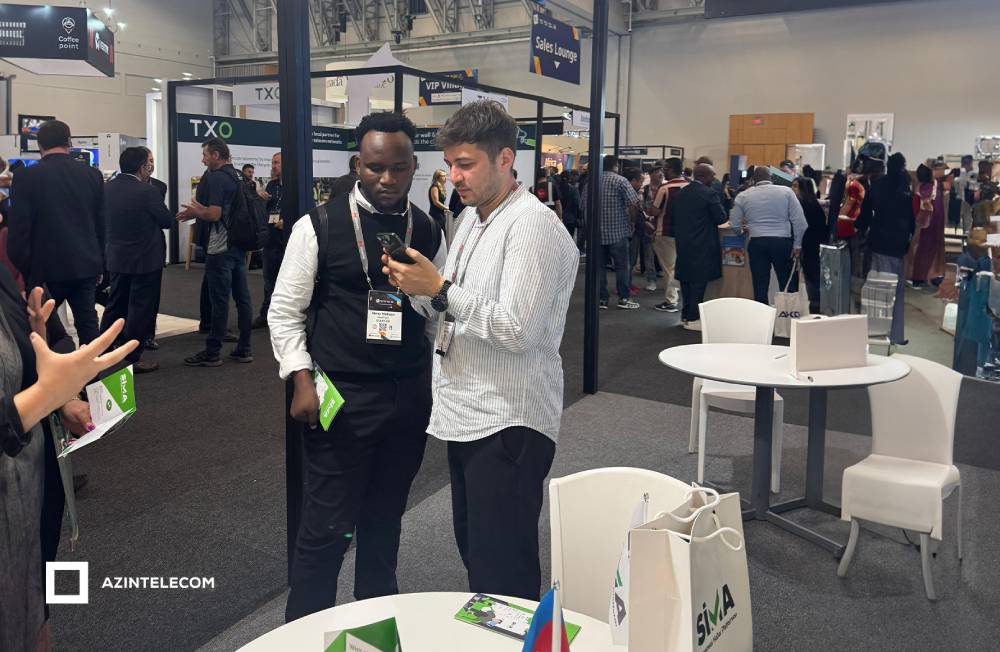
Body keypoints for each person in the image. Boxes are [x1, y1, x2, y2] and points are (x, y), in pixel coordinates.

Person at [384, 100, 578, 602]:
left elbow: (518, 330)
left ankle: (517, 634)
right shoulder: (472, 219)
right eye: (450, 164)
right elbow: (454, 306)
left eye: (465, 164)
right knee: (478, 552)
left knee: (502, 568)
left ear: (505, 159)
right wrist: (420, 290)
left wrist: (440, 288)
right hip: (467, 411)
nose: (454, 176)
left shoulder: (531, 225)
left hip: (509, 419)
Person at [269, 112, 445, 622]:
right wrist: (300, 378)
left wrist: (433, 383)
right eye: (374, 168)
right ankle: (306, 631)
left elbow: (436, 317)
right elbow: (285, 311)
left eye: (398, 168)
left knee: (385, 521)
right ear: (357, 166)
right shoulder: (319, 225)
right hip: (340, 397)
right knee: (326, 528)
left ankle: (374, 629)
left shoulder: (428, 229)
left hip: (407, 397)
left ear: (414, 166)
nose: (387, 179)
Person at [1, 280, 136, 652]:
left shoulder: (15, 270)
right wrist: (46, 395)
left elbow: (53, 340)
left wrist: (65, 397)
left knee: (36, 584)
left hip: (33, 468)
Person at [7, 120, 105, 345]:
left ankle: (50, 367)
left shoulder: (26, 177)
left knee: (41, 330)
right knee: (88, 326)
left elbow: (18, 231)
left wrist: (26, 270)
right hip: (85, 263)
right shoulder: (92, 175)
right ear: (69, 142)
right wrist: (99, 261)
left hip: (43, 268)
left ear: (39, 145)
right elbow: (101, 225)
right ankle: (92, 368)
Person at [177, 137, 253, 366]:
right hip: (238, 244)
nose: (203, 160)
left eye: (205, 155)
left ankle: (212, 352)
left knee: (219, 299)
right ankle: (244, 348)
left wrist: (196, 212)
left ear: (216, 156)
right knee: (242, 298)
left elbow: (214, 214)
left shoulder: (217, 177)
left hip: (220, 247)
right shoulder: (238, 175)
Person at [99, 147, 173, 374]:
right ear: (142, 166)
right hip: (145, 259)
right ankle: (133, 356)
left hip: (117, 257)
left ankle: (102, 349)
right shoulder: (148, 191)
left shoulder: (106, 188)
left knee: (115, 304)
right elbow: (166, 220)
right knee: (140, 308)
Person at [856, 152, 915, 345]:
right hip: (898, 245)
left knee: (877, 289)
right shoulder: (905, 186)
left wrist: (860, 227)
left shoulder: (879, 184)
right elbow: (911, 217)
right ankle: (896, 335)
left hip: (879, 242)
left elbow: (866, 211)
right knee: (897, 290)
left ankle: (875, 332)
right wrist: (909, 238)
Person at [730, 166, 808, 304]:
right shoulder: (786, 192)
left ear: (753, 180)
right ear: (771, 177)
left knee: (760, 285)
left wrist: (742, 231)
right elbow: (800, 222)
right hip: (782, 242)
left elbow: (734, 224)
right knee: (787, 282)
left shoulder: (743, 196)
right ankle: (788, 313)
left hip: (757, 242)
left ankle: (762, 315)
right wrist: (797, 245)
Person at [671, 164, 728, 330]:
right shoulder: (709, 194)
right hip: (703, 242)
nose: (714, 178)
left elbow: (673, 217)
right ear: (705, 176)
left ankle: (685, 315)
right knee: (698, 282)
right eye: (712, 175)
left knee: (685, 280)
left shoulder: (681, 193)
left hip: (683, 243)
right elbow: (721, 218)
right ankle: (694, 318)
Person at [582, 155, 641, 310]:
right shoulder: (621, 181)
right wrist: (632, 222)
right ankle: (624, 298)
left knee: (599, 267)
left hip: (596, 234)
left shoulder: (591, 182)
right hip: (618, 232)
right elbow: (633, 204)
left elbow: (584, 207)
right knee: (622, 266)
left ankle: (602, 299)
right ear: (616, 166)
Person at [649, 157, 688, 312]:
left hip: (665, 232)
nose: (663, 171)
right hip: (686, 233)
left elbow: (654, 210)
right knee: (682, 265)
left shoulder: (664, 188)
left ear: (670, 170)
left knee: (668, 268)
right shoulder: (689, 186)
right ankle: (682, 295)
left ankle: (671, 300)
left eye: (665, 169)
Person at [254, 152, 284, 329]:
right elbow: (265, 210)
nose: (273, 166)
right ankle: (265, 315)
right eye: (273, 163)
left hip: (287, 241)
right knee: (269, 280)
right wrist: (260, 199)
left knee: (287, 281)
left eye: (277, 163)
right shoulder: (272, 185)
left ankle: (284, 317)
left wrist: (288, 220)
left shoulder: (296, 185)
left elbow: (306, 210)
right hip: (270, 240)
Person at [792, 176, 826, 313]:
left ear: (803, 189)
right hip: (813, 244)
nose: (792, 189)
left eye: (795, 186)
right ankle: (815, 303)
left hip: (809, 244)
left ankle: (815, 304)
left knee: (810, 274)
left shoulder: (803, 205)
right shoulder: (813, 203)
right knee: (812, 273)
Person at [909, 163, 946, 288]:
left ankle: (923, 276)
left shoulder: (922, 187)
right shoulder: (930, 188)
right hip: (933, 223)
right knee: (930, 251)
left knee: (925, 250)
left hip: (927, 224)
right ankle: (925, 276)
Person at [624, 168, 656, 292]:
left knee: (645, 256)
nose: (641, 184)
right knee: (632, 258)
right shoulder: (630, 192)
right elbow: (634, 211)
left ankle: (629, 283)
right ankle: (627, 284)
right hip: (635, 229)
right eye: (640, 181)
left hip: (640, 228)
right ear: (633, 180)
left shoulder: (641, 191)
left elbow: (642, 210)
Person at [559, 169, 583, 249]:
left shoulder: (557, 187)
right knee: (569, 240)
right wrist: (580, 216)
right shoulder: (573, 189)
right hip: (570, 218)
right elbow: (578, 203)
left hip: (559, 216)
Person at [428, 168, 449, 233]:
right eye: (443, 176)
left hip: (441, 215)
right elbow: (436, 202)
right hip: (436, 215)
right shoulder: (435, 187)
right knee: (438, 234)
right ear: (437, 177)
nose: (445, 178)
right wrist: (447, 208)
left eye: (446, 176)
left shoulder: (440, 187)